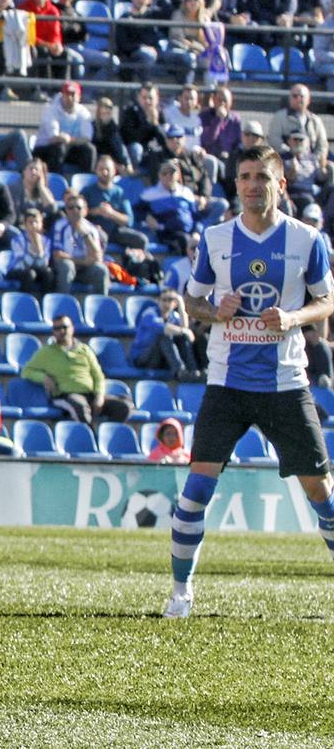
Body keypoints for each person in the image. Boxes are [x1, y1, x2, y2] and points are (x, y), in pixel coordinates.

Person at [165, 145, 334, 618]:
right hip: (227, 382)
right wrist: (211, 309)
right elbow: (191, 301)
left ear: (280, 185)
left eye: (263, 176)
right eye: (244, 176)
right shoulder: (216, 237)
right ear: (235, 183)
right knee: (197, 488)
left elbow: (328, 301)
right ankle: (180, 593)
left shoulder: (306, 239)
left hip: (285, 382)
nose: (252, 185)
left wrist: (296, 316)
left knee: (321, 490)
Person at [21, 315, 132, 424]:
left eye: (64, 327)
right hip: (66, 395)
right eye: (57, 328)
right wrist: (44, 378)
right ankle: (90, 438)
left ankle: (107, 437)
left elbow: (98, 376)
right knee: (80, 407)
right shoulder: (46, 352)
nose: (61, 331)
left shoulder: (84, 350)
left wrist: (99, 396)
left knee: (123, 407)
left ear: (72, 328)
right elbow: (26, 371)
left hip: (90, 395)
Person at [130, 288, 200, 381]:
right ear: (158, 301)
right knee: (164, 336)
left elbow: (185, 327)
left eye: (170, 300)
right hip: (143, 358)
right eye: (164, 300)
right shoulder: (150, 313)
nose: (167, 303)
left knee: (183, 337)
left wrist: (181, 304)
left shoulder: (174, 315)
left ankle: (193, 370)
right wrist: (184, 331)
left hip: (161, 358)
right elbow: (164, 328)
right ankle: (179, 371)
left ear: (174, 303)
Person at [51, 192, 110, 295]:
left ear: (85, 211)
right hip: (64, 267)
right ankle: (62, 303)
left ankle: (100, 305)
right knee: (67, 266)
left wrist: (85, 235)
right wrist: (84, 261)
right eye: (71, 207)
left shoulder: (91, 229)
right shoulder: (59, 226)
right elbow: (57, 255)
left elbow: (97, 257)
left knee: (101, 270)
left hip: (84, 270)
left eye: (78, 208)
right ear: (66, 210)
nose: (75, 211)